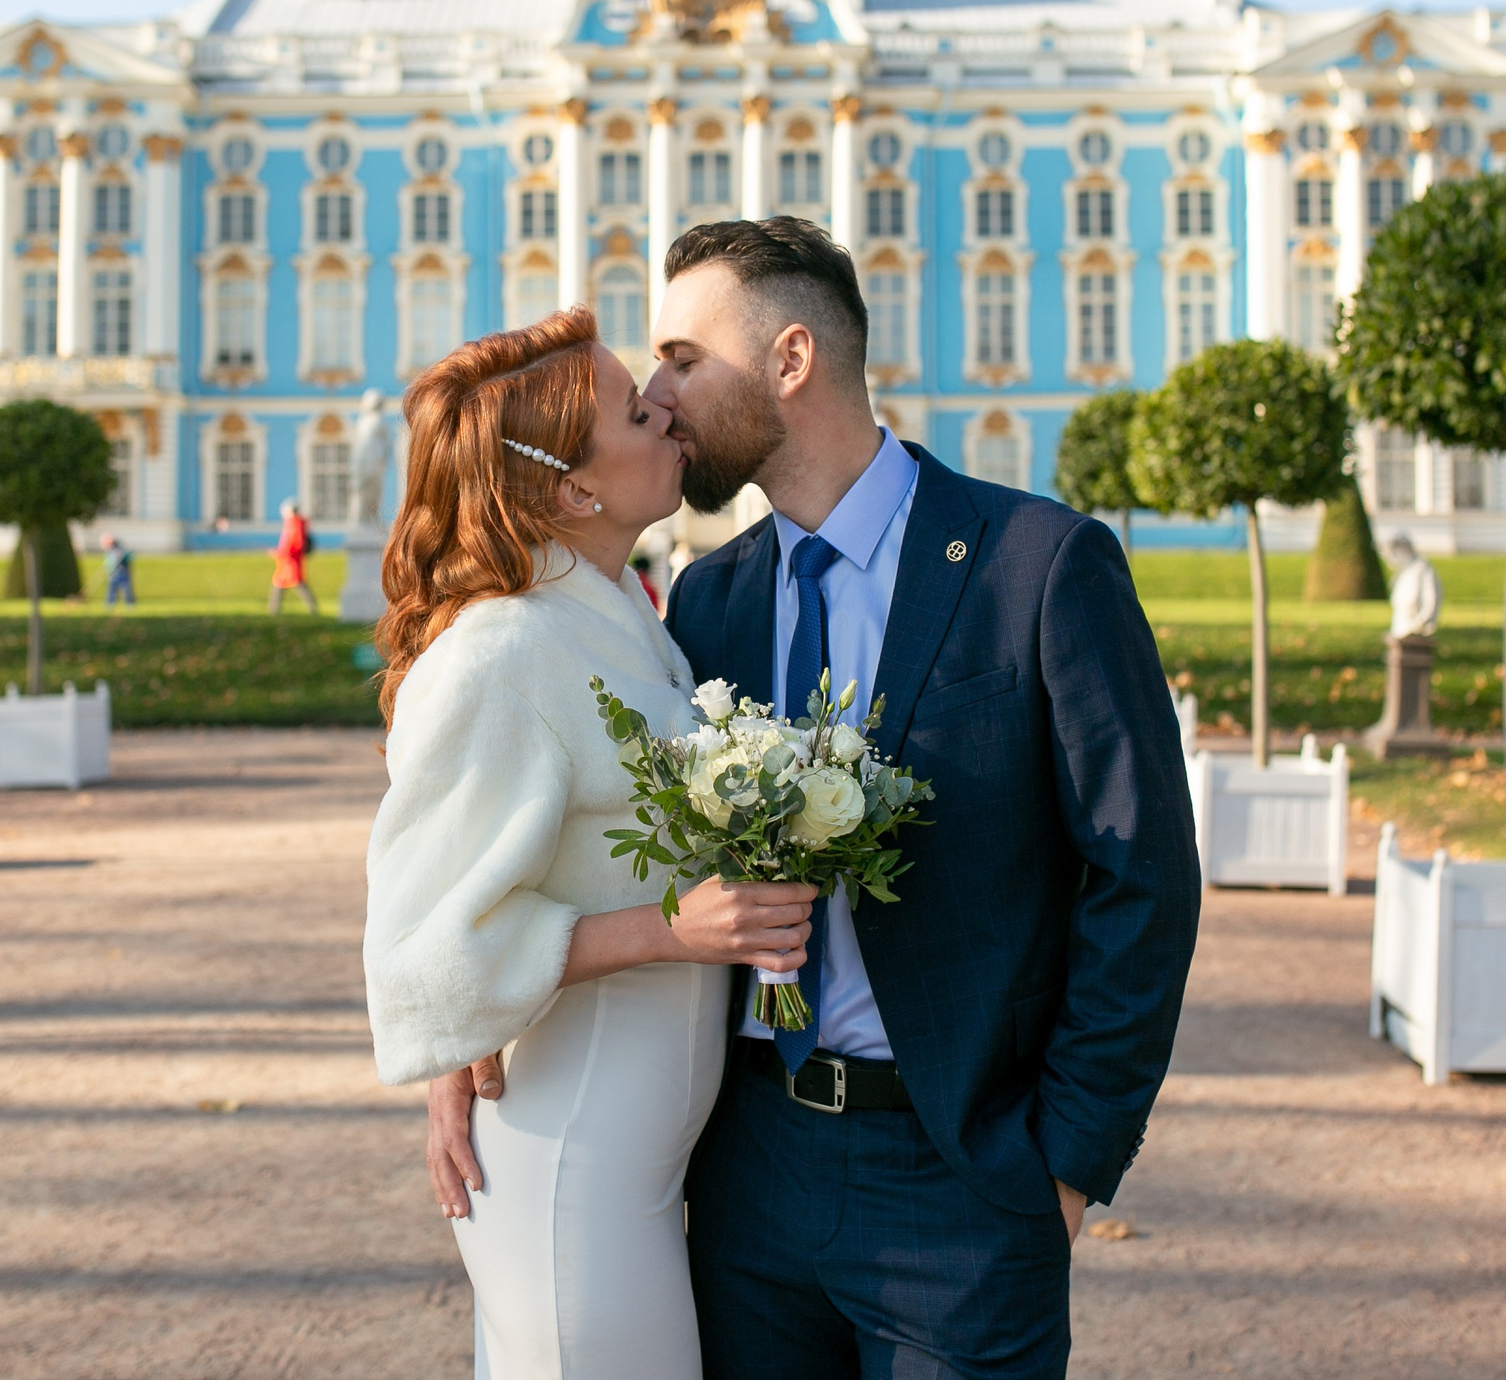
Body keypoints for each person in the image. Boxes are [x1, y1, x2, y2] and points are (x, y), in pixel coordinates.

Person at [435, 216, 1202, 1377]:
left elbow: (1141, 872)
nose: (658, 392)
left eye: (682, 357)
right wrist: (465, 1030)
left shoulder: (1037, 565)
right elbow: (584, 834)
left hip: (961, 1181)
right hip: (744, 1173)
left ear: (790, 359)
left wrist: (1064, 1166)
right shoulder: (706, 601)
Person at [362, 306, 815, 1380]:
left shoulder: (625, 618)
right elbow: (422, 955)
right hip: (567, 1167)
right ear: (574, 490)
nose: (666, 409)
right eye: (634, 411)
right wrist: (671, 930)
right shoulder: (497, 654)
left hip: (636, 1161)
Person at [270, 499, 317, 615]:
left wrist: (282, 553)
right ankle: (274, 611)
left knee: (296, 583)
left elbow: (295, 544)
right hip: (286, 561)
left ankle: (313, 609)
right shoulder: (293, 524)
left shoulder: (295, 524)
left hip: (291, 561)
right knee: (280, 584)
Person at [99, 533, 134, 609]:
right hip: (114, 573)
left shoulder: (119, 548)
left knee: (127, 589)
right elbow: (109, 562)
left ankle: (130, 604)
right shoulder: (109, 551)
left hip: (123, 572)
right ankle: (110, 603)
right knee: (112, 589)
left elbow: (125, 556)